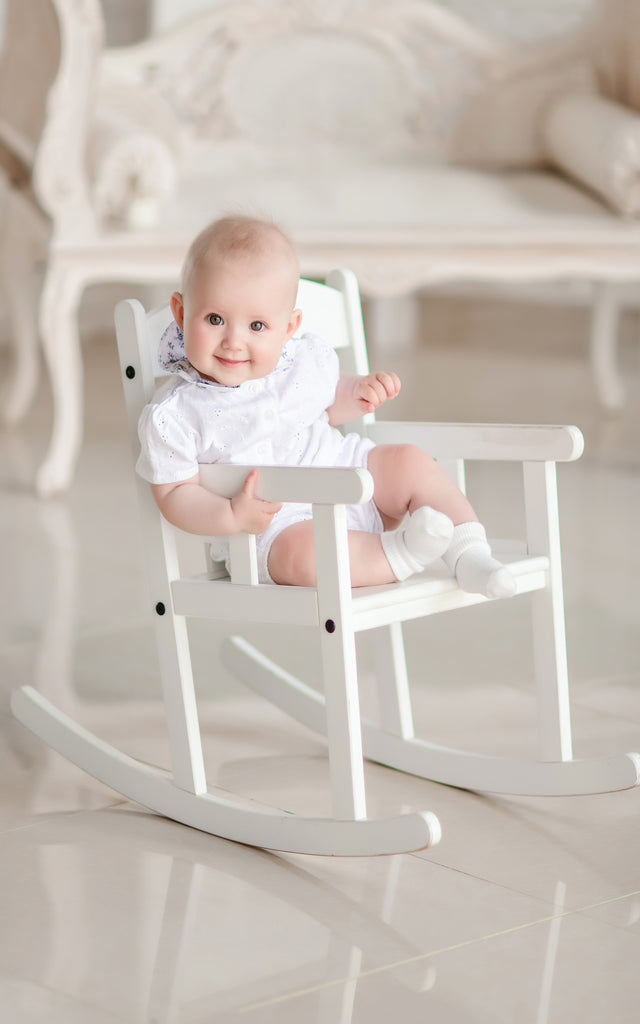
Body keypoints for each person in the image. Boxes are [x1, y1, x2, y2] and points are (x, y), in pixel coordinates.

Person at [137, 215, 516, 597]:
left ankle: (470, 554)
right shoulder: (178, 413)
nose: (234, 341)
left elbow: (326, 399)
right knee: (304, 556)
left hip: (349, 476)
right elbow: (172, 494)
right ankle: (400, 554)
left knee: (409, 461)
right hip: (277, 527)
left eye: (256, 326)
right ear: (182, 314)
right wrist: (232, 514)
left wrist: (357, 393)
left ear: (288, 328)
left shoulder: (300, 362)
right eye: (215, 319)